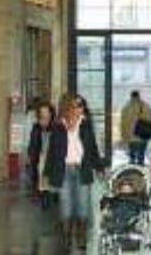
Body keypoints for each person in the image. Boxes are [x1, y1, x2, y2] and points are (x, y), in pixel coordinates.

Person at [44, 94, 105, 250]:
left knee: (83, 207)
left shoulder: (86, 125)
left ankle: (81, 238)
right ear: (68, 107)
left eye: (81, 106)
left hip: (82, 170)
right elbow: (52, 152)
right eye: (77, 105)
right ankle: (66, 240)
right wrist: (46, 174)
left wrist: (99, 168)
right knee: (66, 207)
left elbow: (92, 149)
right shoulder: (58, 126)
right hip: (63, 171)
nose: (80, 109)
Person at [27, 100, 57, 209]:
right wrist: (30, 155)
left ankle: (50, 194)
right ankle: (44, 195)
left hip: (53, 157)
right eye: (42, 114)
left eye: (47, 113)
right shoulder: (36, 128)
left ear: (51, 114)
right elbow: (33, 144)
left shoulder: (56, 127)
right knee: (42, 168)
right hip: (42, 156)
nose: (45, 116)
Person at [120, 90, 151, 166]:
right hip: (143, 136)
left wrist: (124, 137)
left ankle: (133, 174)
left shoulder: (125, 108)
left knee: (132, 158)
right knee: (141, 158)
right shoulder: (146, 106)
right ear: (139, 96)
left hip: (131, 138)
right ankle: (140, 174)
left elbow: (123, 124)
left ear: (131, 96)